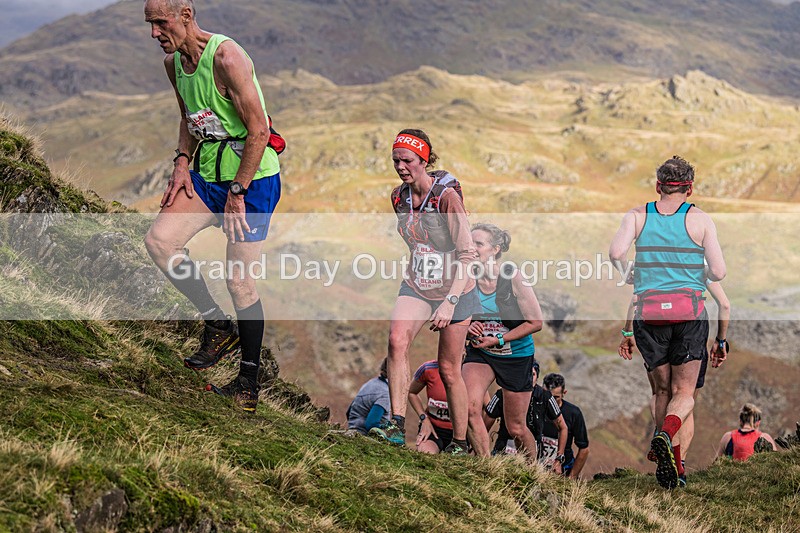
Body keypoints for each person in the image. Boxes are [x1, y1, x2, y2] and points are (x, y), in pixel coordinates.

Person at [143, 0, 283, 411]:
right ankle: (216, 322)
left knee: (239, 281)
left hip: (252, 179)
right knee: (160, 243)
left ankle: (248, 383)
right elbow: (189, 117)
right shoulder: (174, 65)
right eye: (150, 25)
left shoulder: (227, 56)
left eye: (160, 23)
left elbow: (259, 130)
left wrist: (238, 195)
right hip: (208, 173)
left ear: (185, 15)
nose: (155, 33)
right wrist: (181, 163)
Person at [611, 155, 726, 489]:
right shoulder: (700, 219)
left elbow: (616, 253)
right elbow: (718, 272)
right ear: (689, 188)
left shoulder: (637, 215)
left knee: (662, 390)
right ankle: (666, 437)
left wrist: (630, 275)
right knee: (684, 392)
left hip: (649, 315)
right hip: (689, 314)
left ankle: (673, 465)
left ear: (658, 185)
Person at [369, 129, 480, 454]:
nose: (401, 166)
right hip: (418, 285)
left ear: (424, 159)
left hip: (456, 290)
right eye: (396, 160)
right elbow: (416, 242)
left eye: (407, 160)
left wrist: (449, 302)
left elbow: (468, 254)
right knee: (396, 341)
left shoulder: (447, 198)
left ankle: (459, 444)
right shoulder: (397, 198)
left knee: (448, 369)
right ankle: (395, 424)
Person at [630, 280, 730, 485]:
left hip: (650, 324)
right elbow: (725, 304)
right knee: (684, 396)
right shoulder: (693, 258)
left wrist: (626, 331)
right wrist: (720, 340)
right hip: (689, 325)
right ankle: (677, 462)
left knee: (661, 393)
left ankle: (666, 449)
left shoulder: (649, 256)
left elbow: (635, 299)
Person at [463, 223, 543, 460]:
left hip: (516, 355)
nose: (474, 249)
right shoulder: (465, 276)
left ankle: (534, 472)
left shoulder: (512, 276)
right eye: (471, 243)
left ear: (495, 249)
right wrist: (467, 327)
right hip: (481, 353)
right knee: (469, 409)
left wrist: (498, 338)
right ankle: (485, 465)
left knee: (516, 427)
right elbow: (452, 313)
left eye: (479, 244)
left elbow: (535, 322)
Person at [486, 361, 568, 472]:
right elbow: (484, 425)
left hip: (532, 458)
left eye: (532, 374)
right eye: (525, 373)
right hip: (503, 454)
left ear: (537, 377)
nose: (528, 378)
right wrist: (482, 452)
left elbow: (563, 427)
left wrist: (559, 459)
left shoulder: (545, 396)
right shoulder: (502, 394)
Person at [542, 373, 590, 479]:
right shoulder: (534, 407)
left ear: (564, 393)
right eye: (547, 397)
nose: (551, 402)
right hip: (536, 467)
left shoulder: (574, 413)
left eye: (556, 398)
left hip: (563, 470)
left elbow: (584, 449)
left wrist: (571, 477)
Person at [408, 360, 453, 453]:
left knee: (458, 465)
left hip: (461, 435)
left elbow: (486, 408)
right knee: (426, 457)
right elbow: (411, 392)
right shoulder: (428, 369)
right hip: (433, 429)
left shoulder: (470, 372)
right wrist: (424, 418)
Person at [346, 359, 392, 435]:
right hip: (365, 437)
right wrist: (389, 431)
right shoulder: (385, 394)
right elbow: (371, 424)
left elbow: (349, 411)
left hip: (352, 431)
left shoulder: (369, 384)